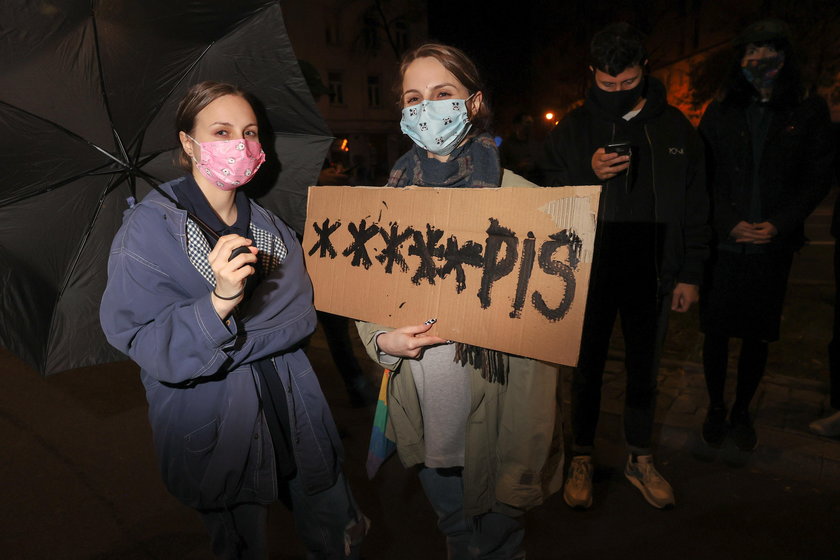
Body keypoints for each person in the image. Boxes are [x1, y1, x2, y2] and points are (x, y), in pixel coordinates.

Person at [100, 81, 367, 559]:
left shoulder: (269, 224)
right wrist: (218, 302)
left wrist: (222, 335)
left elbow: (303, 316)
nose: (240, 145)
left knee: (336, 536)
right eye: (221, 131)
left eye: (250, 131)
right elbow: (148, 344)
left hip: (294, 410)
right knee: (241, 545)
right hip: (218, 429)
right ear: (188, 142)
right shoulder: (148, 229)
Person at [356, 43, 564, 559]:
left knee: (497, 544)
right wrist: (382, 339)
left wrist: (527, 450)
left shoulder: (526, 203)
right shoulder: (389, 201)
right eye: (413, 98)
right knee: (454, 535)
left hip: (499, 427)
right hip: (426, 416)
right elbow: (365, 297)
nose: (426, 109)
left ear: (472, 103)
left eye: (442, 93)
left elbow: (545, 345)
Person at [540, 22, 709, 510]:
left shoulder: (675, 127)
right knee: (587, 371)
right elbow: (544, 198)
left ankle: (640, 457)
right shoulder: (571, 129)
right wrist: (583, 174)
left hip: (654, 271)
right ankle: (581, 456)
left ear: (644, 72)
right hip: (587, 274)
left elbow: (698, 204)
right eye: (606, 84)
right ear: (592, 74)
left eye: (627, 82)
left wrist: (691, 272)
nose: (616, 92)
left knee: (644, 372)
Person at [698, 19, 834, 451]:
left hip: (771, 246)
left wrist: (779, 223)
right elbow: (703, 175)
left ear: (785, 57)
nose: (759, 61)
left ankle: (742, 410)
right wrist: (726, 220)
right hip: (724, 244)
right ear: (738, 60)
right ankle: (715, 407)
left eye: (769, 52)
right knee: (716, 333)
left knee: (756, 334)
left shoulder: (807, 110)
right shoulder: (720, 111)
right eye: (750, 52)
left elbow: (816, 177)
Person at [500, 112, 540, 183]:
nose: (530, 126)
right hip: (515, 184)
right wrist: (518, 167)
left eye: (531, 123)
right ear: (518, 125)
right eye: (527, 123)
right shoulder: (507, 145)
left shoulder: (535, 144)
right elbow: (501, 167)